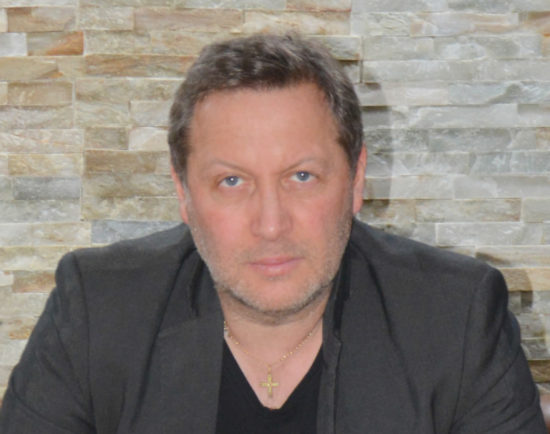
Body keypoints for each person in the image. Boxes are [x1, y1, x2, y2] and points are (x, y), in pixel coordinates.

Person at [0, 33, 545, 433]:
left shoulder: (456, 317)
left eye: (301, 177)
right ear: (184, 193)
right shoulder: (98, 307)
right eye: (231, 181)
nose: (270, 224)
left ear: (356, 180)